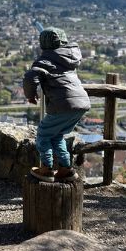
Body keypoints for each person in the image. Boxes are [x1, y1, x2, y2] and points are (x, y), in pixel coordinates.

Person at [23, 27, 90, 182]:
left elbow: (30, 77)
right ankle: (66, 169)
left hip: (62, 104)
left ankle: (46, 169)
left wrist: (31, 95)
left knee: (43, 134)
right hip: (81, 103)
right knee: (57, 136)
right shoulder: (69, 58)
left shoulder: (46, 60)